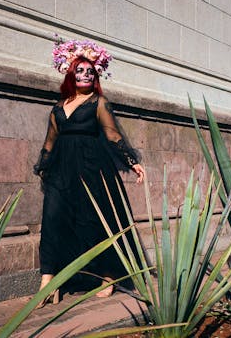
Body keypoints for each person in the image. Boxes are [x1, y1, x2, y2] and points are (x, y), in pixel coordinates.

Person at [33, 39, 145, 308]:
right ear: (71, 73)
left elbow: (112, 134)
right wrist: (44, 166)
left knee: (96, 220)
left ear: (95, 77)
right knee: (53, 219)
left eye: (90, 71)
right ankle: (48, 280)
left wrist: (131, 161)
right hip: (62, 170)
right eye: (80, 70)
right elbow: (50, 141)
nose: (85, 75)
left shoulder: (99, 103)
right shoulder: (58, 107)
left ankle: (109, 276)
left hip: (93, 169)